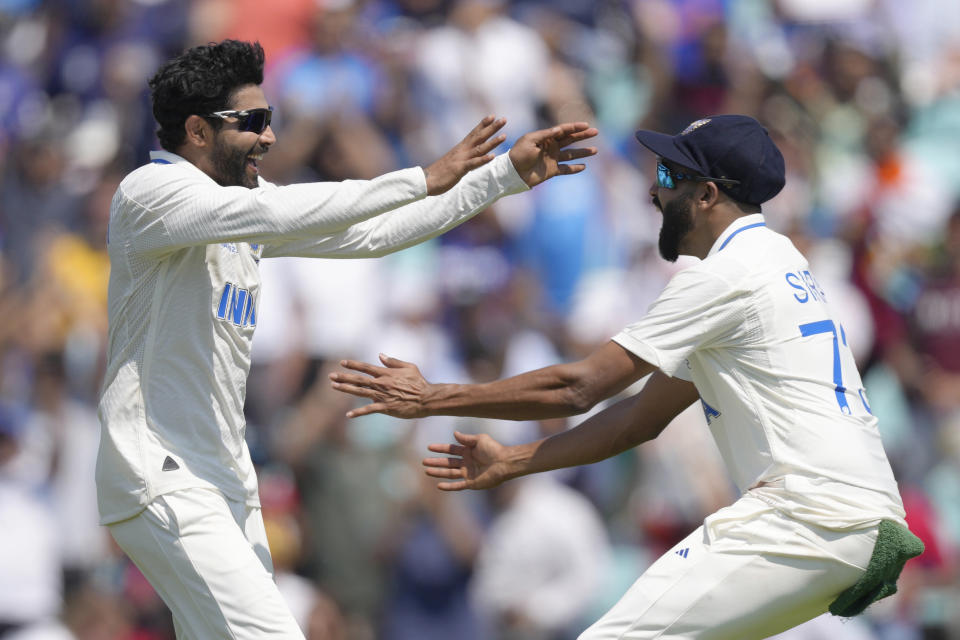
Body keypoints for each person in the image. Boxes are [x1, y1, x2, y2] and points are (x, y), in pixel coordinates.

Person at [330, 114, 924, 639]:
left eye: (669, 178)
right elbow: (640, 418)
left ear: (708, 195)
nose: (652, 190)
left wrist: (434, 397)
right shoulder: (779, 260)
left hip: (807, 518)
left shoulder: (722, 277)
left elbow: (581, 387)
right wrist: (516, 460)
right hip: (854, 522)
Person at [96, 39, 597, 640]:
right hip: (163, 472)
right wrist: (421, 176)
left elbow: (370, 235)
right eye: (252, 122)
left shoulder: (241, 204)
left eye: (270, 120)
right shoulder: (151, 195)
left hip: (224, 477)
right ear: (198, 131)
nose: (270, 138)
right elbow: (289, 216)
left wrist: (500, 178)